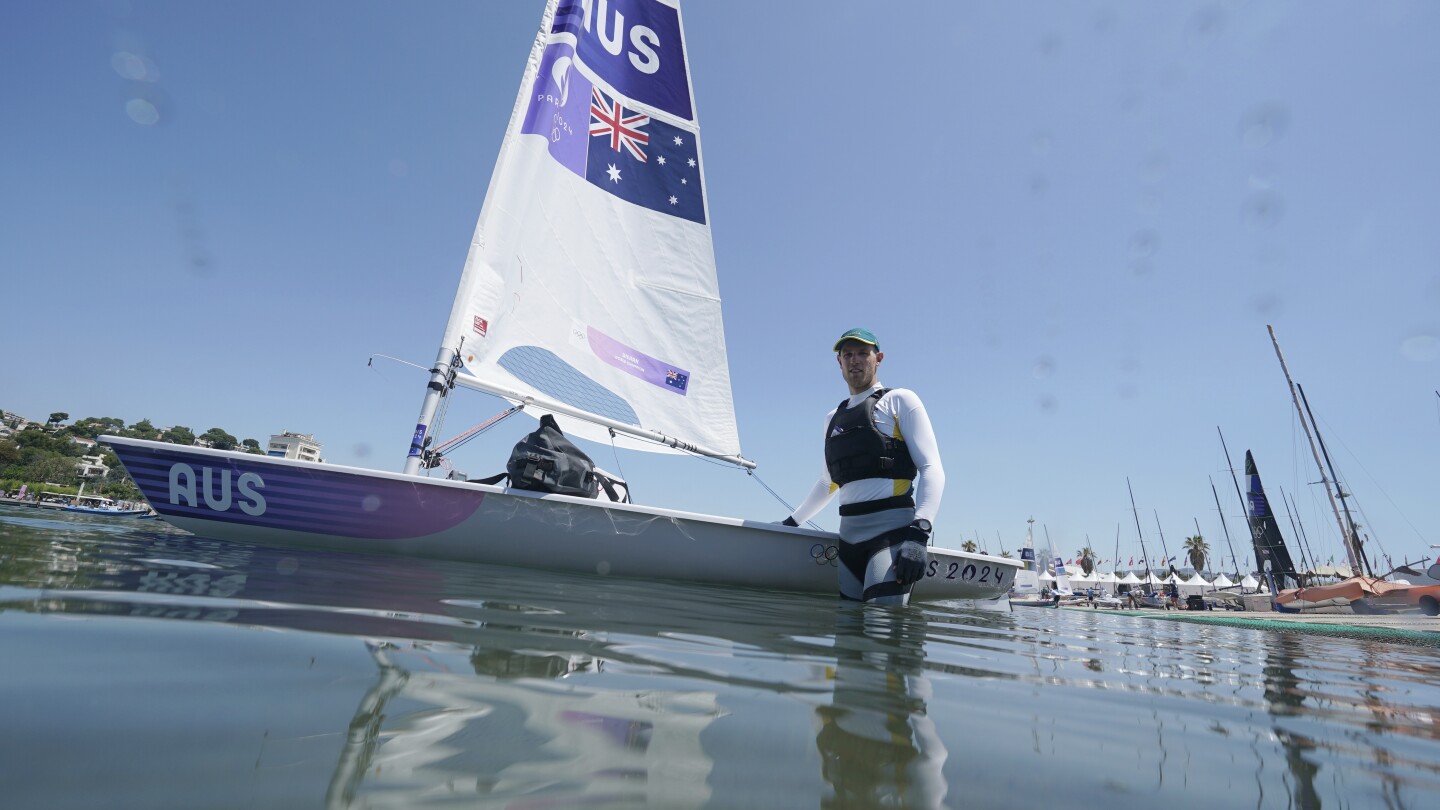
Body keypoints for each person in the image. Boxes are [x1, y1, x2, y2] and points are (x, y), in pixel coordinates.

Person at [781, 328, 944, 605]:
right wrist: (791, 523)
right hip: (849, 540)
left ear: (878, 358)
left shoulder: (900, 400)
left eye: (862, 353)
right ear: (839, 362)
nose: (854, 360)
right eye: (848, 354)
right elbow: (827, 482)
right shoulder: (833, 417)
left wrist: (919, 535)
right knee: (847, 638)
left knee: (880, 632)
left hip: (891, 534)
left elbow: (932, 468)